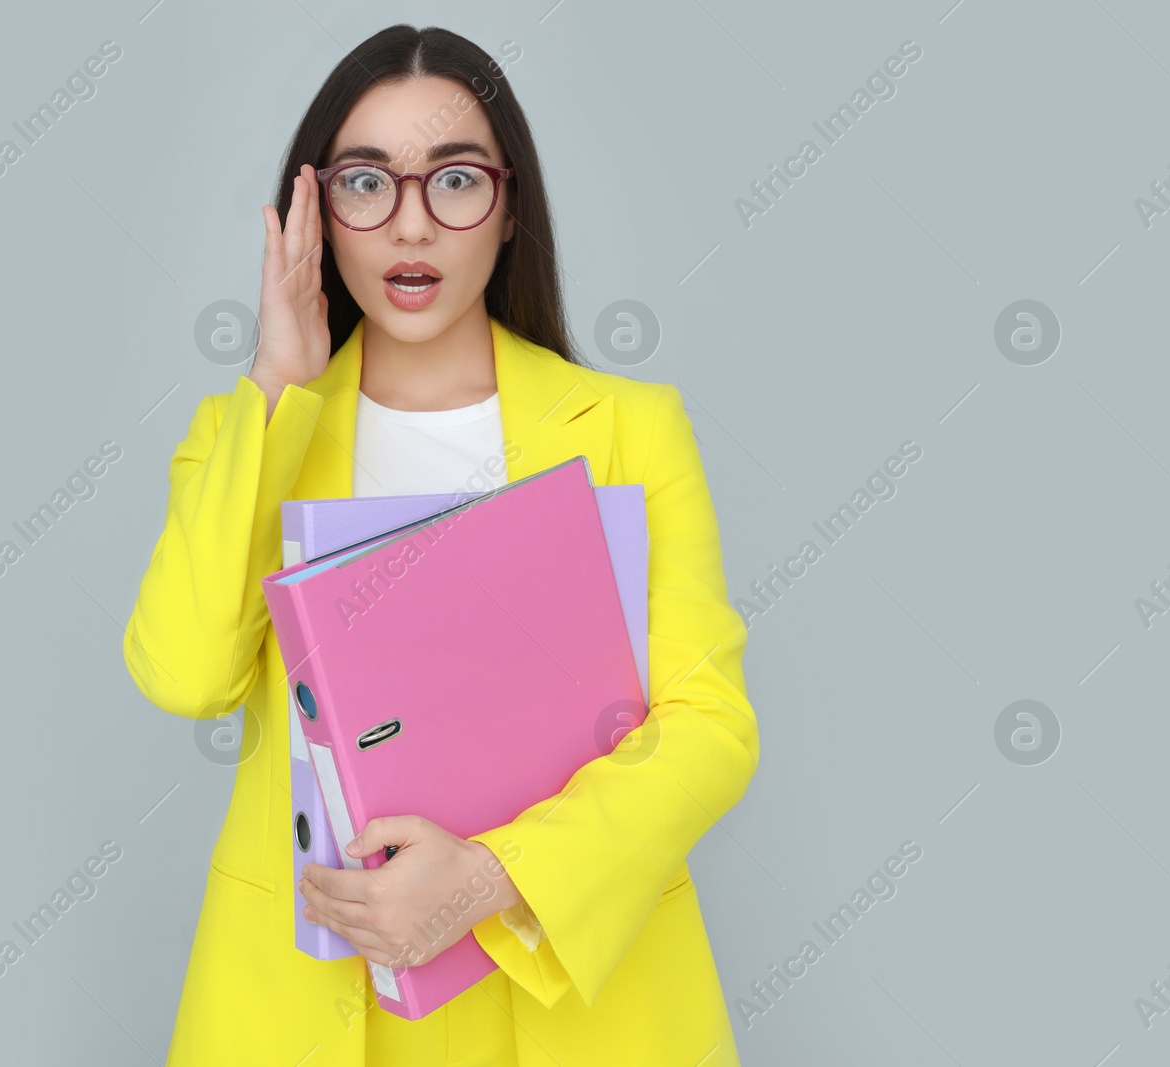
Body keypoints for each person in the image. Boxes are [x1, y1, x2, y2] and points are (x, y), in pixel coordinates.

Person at [122, 23, 760, 1066]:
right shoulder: (250, 432)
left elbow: (708, 727)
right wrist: (279, 381)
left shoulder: (630, 429)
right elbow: (186, 674)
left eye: (453, 180)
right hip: (313, 1007)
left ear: (509, 209)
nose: (410, 226)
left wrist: (488, 876)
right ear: (316, 210)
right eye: (366, 183)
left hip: (559, 988)